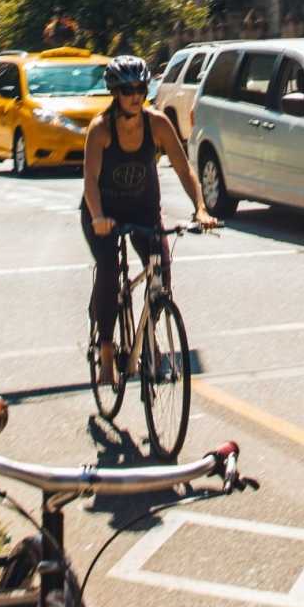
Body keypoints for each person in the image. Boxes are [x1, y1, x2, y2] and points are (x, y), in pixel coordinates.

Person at [82, 55, 216, 384]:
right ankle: (107, 349)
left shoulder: (157, 123)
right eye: (128, 90)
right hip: (104, 211)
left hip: (143, 209)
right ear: (115, 93)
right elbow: (89, 181)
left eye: (140, 88)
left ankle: (150, 334)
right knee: (111, 271)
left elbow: (184, 169)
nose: (135, 95)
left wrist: (200, 207)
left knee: (162, 267)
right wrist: (98, 216)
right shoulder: (100, 129)